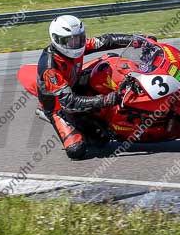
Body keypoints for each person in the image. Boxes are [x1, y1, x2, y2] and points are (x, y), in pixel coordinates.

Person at [37, 15, 136, 160]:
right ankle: (63, 120)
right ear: (57, 39)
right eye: (70, 41)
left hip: (76, 82)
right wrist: (106, 100)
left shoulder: (78, 45)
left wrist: (136, 40)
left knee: (110, 62)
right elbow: (69, 102)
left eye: (79, 38)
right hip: (59, 105)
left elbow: (106, 40)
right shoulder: (49, 68)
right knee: (79, 150)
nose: (76, 44)